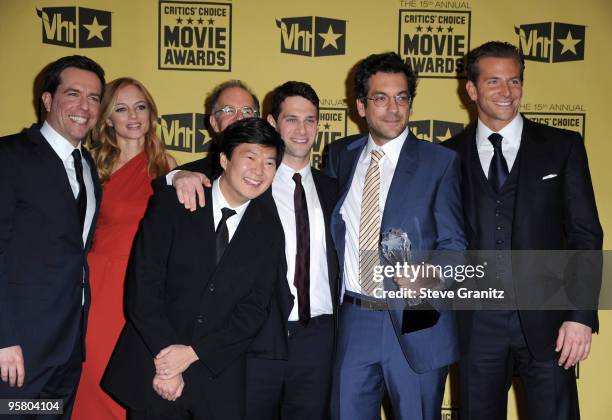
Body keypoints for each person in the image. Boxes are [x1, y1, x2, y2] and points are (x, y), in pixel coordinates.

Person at [443, 41, 603, 420]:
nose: (506, 92)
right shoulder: (446, 157)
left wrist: (580, 315)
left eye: (514, 81)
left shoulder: (562, 147)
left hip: (548, 322)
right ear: (471, 89)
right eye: (494, 81)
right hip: (475, 324)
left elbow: (585, 235)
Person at [165, 81, 340, 420]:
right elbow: (198, 173)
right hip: (255, 336)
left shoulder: (334, 188)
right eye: (291, 120)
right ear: (272, 124)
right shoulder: (247, 180)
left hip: (319, 339)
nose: (302, 130)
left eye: (310, 120)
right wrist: (175, 175)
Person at [101, 118, 286, 420]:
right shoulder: (173, 205)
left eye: (269, 162)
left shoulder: (268, 230)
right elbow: (144, 287)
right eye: (249, 157)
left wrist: (191, 354)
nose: (259, 171)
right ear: (224, 159)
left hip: (217, 376)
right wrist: (168, 361)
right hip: (153, 365)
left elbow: (254, 310)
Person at [325, 52, 466, 420]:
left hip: (416, 317)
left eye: (402, 97)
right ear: (360, 105)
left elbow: (454, 246)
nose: (393, 108)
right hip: (354, 318)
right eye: (381, 98)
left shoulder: (440, 162)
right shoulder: (340, 155)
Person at [0, 55, 105, 419]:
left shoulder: (88, 166)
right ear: (47, 100)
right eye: (73, 94)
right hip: (19, 352)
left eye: (93, 98)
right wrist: (4, 339)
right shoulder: (9, 156)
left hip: (68, 348)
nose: (84, 107)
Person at [72, 77, 177, 420]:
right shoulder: (90, 166)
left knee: (129, 382)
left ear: (151, 113)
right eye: (121, 108)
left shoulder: (168, 168)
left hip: (142, 291)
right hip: (97, 290)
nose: (133, 116)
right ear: (106, 120)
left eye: (140, 106)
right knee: (92, 377)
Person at [167, 80, 261, 210]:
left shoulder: (272, 174)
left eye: (247, 111)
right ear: (214, 123)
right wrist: (175, 176)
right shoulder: (190, 175)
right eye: (229, 110)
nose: (239, 118)